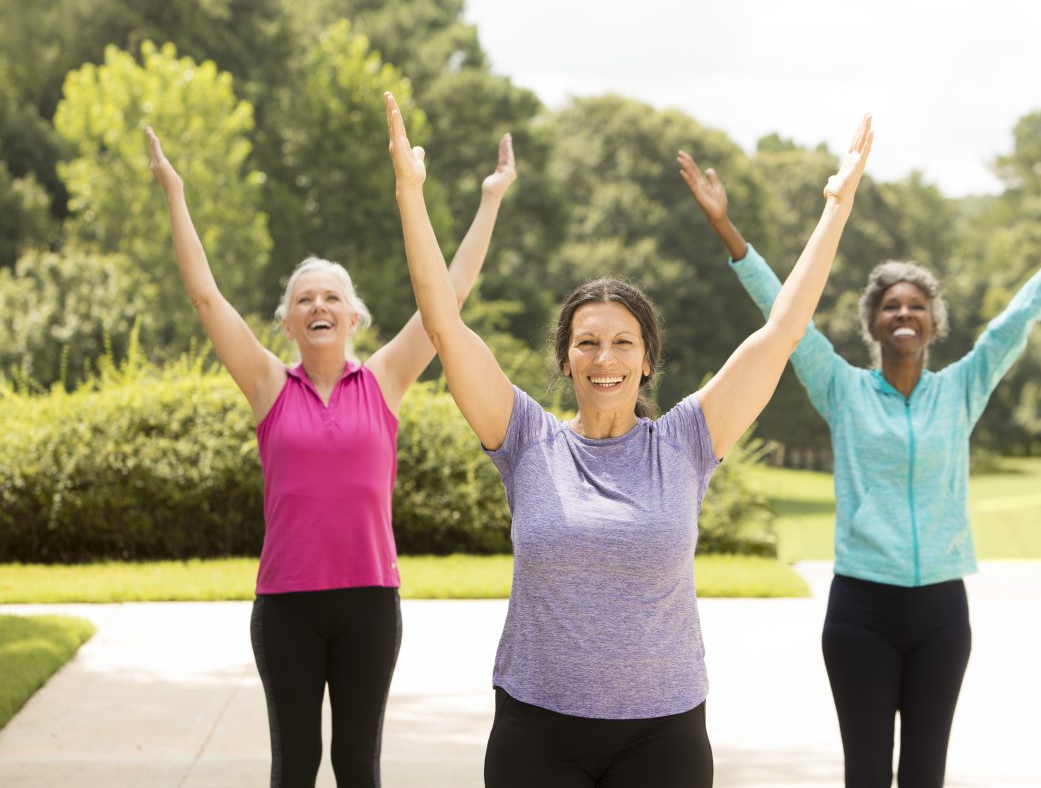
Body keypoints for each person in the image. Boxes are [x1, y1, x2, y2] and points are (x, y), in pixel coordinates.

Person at [386, 89, 872, 787]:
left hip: (662, 735)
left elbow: (781, 332)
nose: (604, 359)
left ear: (647, 360)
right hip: (536, 728)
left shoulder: (686, 442)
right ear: (565, 359)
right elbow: (443, 322)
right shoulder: (525, 438)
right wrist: (410, 192)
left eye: (623, 343)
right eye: (587, 342)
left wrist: (836, 206)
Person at [679, 149, 1041, 787]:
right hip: (861, 609)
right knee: (867, 774)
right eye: (892, 306)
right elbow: (784, 316)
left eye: (917, 306)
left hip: (941, 614)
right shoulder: (841, 387)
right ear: (873, 322)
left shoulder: (961, 389)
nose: (904, 314)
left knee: (926, 774)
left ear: (933, 323)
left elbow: (1017, 320)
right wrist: (725, 227)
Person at [146, 125, 517, 788]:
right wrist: (174, 192)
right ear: (287, 322)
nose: (318, 304)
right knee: (294, 766)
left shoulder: (384, 380)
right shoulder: (267, 385)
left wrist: (489, 199)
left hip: (369, 602)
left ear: (353, 318)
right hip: (285, 605)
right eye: (304, 298)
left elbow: (450, 296)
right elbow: (205, 295)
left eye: (331, 297)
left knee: (356, 767)